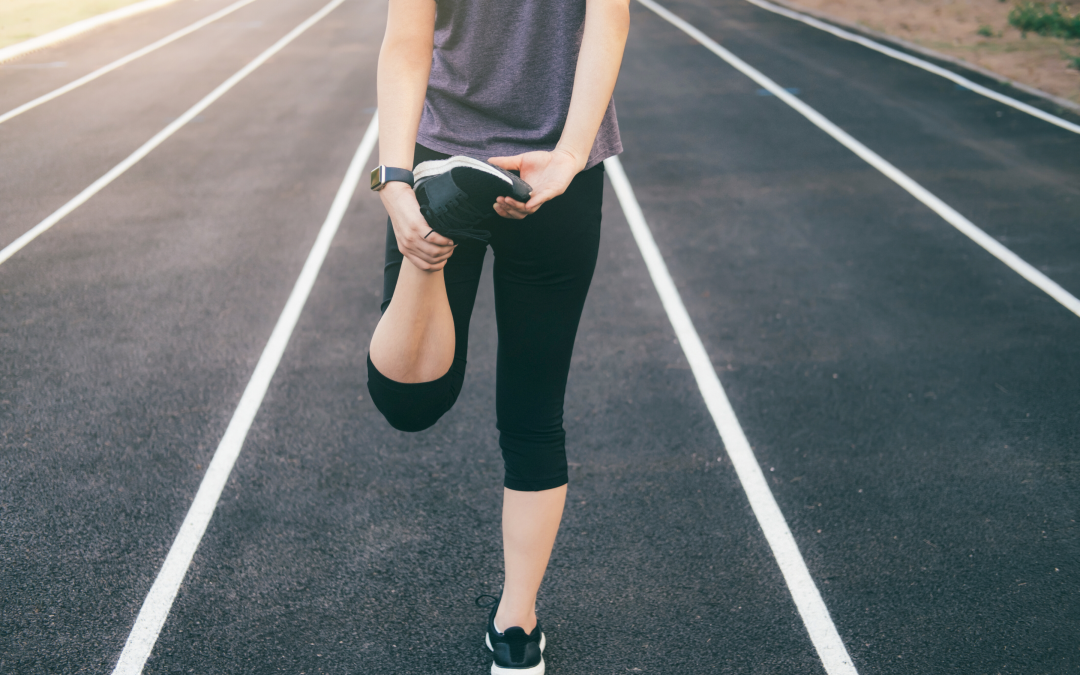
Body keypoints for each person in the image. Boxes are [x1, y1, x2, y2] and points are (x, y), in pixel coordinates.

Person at [366, 0, 629, 671]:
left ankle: (436, 237)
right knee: (532, 416)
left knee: (416, 400)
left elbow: (406, 41)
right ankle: (516, 629)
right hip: (537, 164)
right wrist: (395, 180)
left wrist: (398, 179)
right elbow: (610, 19)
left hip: (502, 160)